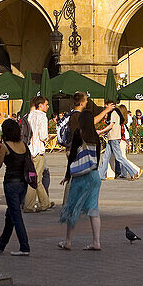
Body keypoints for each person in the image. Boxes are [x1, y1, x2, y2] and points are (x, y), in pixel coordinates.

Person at [59, 105, 102, 250]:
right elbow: (98, 158)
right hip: (94, 176)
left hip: (80, 176)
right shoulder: (96, 136)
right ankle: (96, 242)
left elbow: (72, 156)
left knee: (73, 208)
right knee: (94, 209)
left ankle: (68, 241)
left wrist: (67, 175)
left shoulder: (79, 133)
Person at [0, 118, 30, 256]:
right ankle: (1, 244)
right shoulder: (24, 145)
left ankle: (24, 246)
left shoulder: (4, 146)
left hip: (11, 183)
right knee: (10, 214)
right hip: (23, 183)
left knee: (16, 215)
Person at [97, 98, 140, 180]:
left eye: (107, 105)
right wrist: (104, 133)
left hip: (114, 138)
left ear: (111, 105)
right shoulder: (115, 113)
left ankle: (133, 172)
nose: (105, 106)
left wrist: (100, 131)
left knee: (119, 157)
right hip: (111, 138)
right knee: (105, 157)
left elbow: (111, 126)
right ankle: (100, 175)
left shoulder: (114, 113)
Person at [26, 95, 53, 211]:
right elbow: (43, 136)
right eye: (46, 104)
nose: (48, 107)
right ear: (40, 105)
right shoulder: (42, 116)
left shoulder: (29, 115)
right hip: (38, 151)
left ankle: (45, 202)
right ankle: (29, 205)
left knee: (35, 178)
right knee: (35, 179)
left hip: (29, 150)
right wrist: (46, 138)